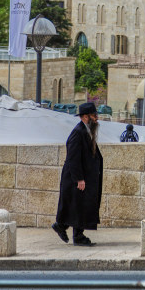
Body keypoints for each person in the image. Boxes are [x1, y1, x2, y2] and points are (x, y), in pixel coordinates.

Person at [52, 102, 103, 247]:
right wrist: (79, 178)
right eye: (94, 115)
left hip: (82, 176)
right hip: (76, 177)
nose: (97, 118)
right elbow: (72, 158)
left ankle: (65, 228)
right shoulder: (78, 132)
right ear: (86, 117)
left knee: (79, 206)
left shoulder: (86, 130)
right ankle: (74, 234)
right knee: (77, 205)